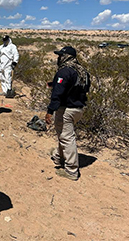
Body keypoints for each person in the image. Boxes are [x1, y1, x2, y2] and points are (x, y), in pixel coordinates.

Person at [45, 46, 90, 181]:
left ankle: (71, 170)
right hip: (79, 109)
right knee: (64, 134)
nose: (59, 58)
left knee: (67, 137)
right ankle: (58, 157)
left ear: (66, 57)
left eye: (60, 56)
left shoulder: (64, 71)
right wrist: (55, 83)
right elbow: (79, 87)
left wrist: (50, 111)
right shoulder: (82, 70)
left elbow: (57, 94)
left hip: (67, 110)